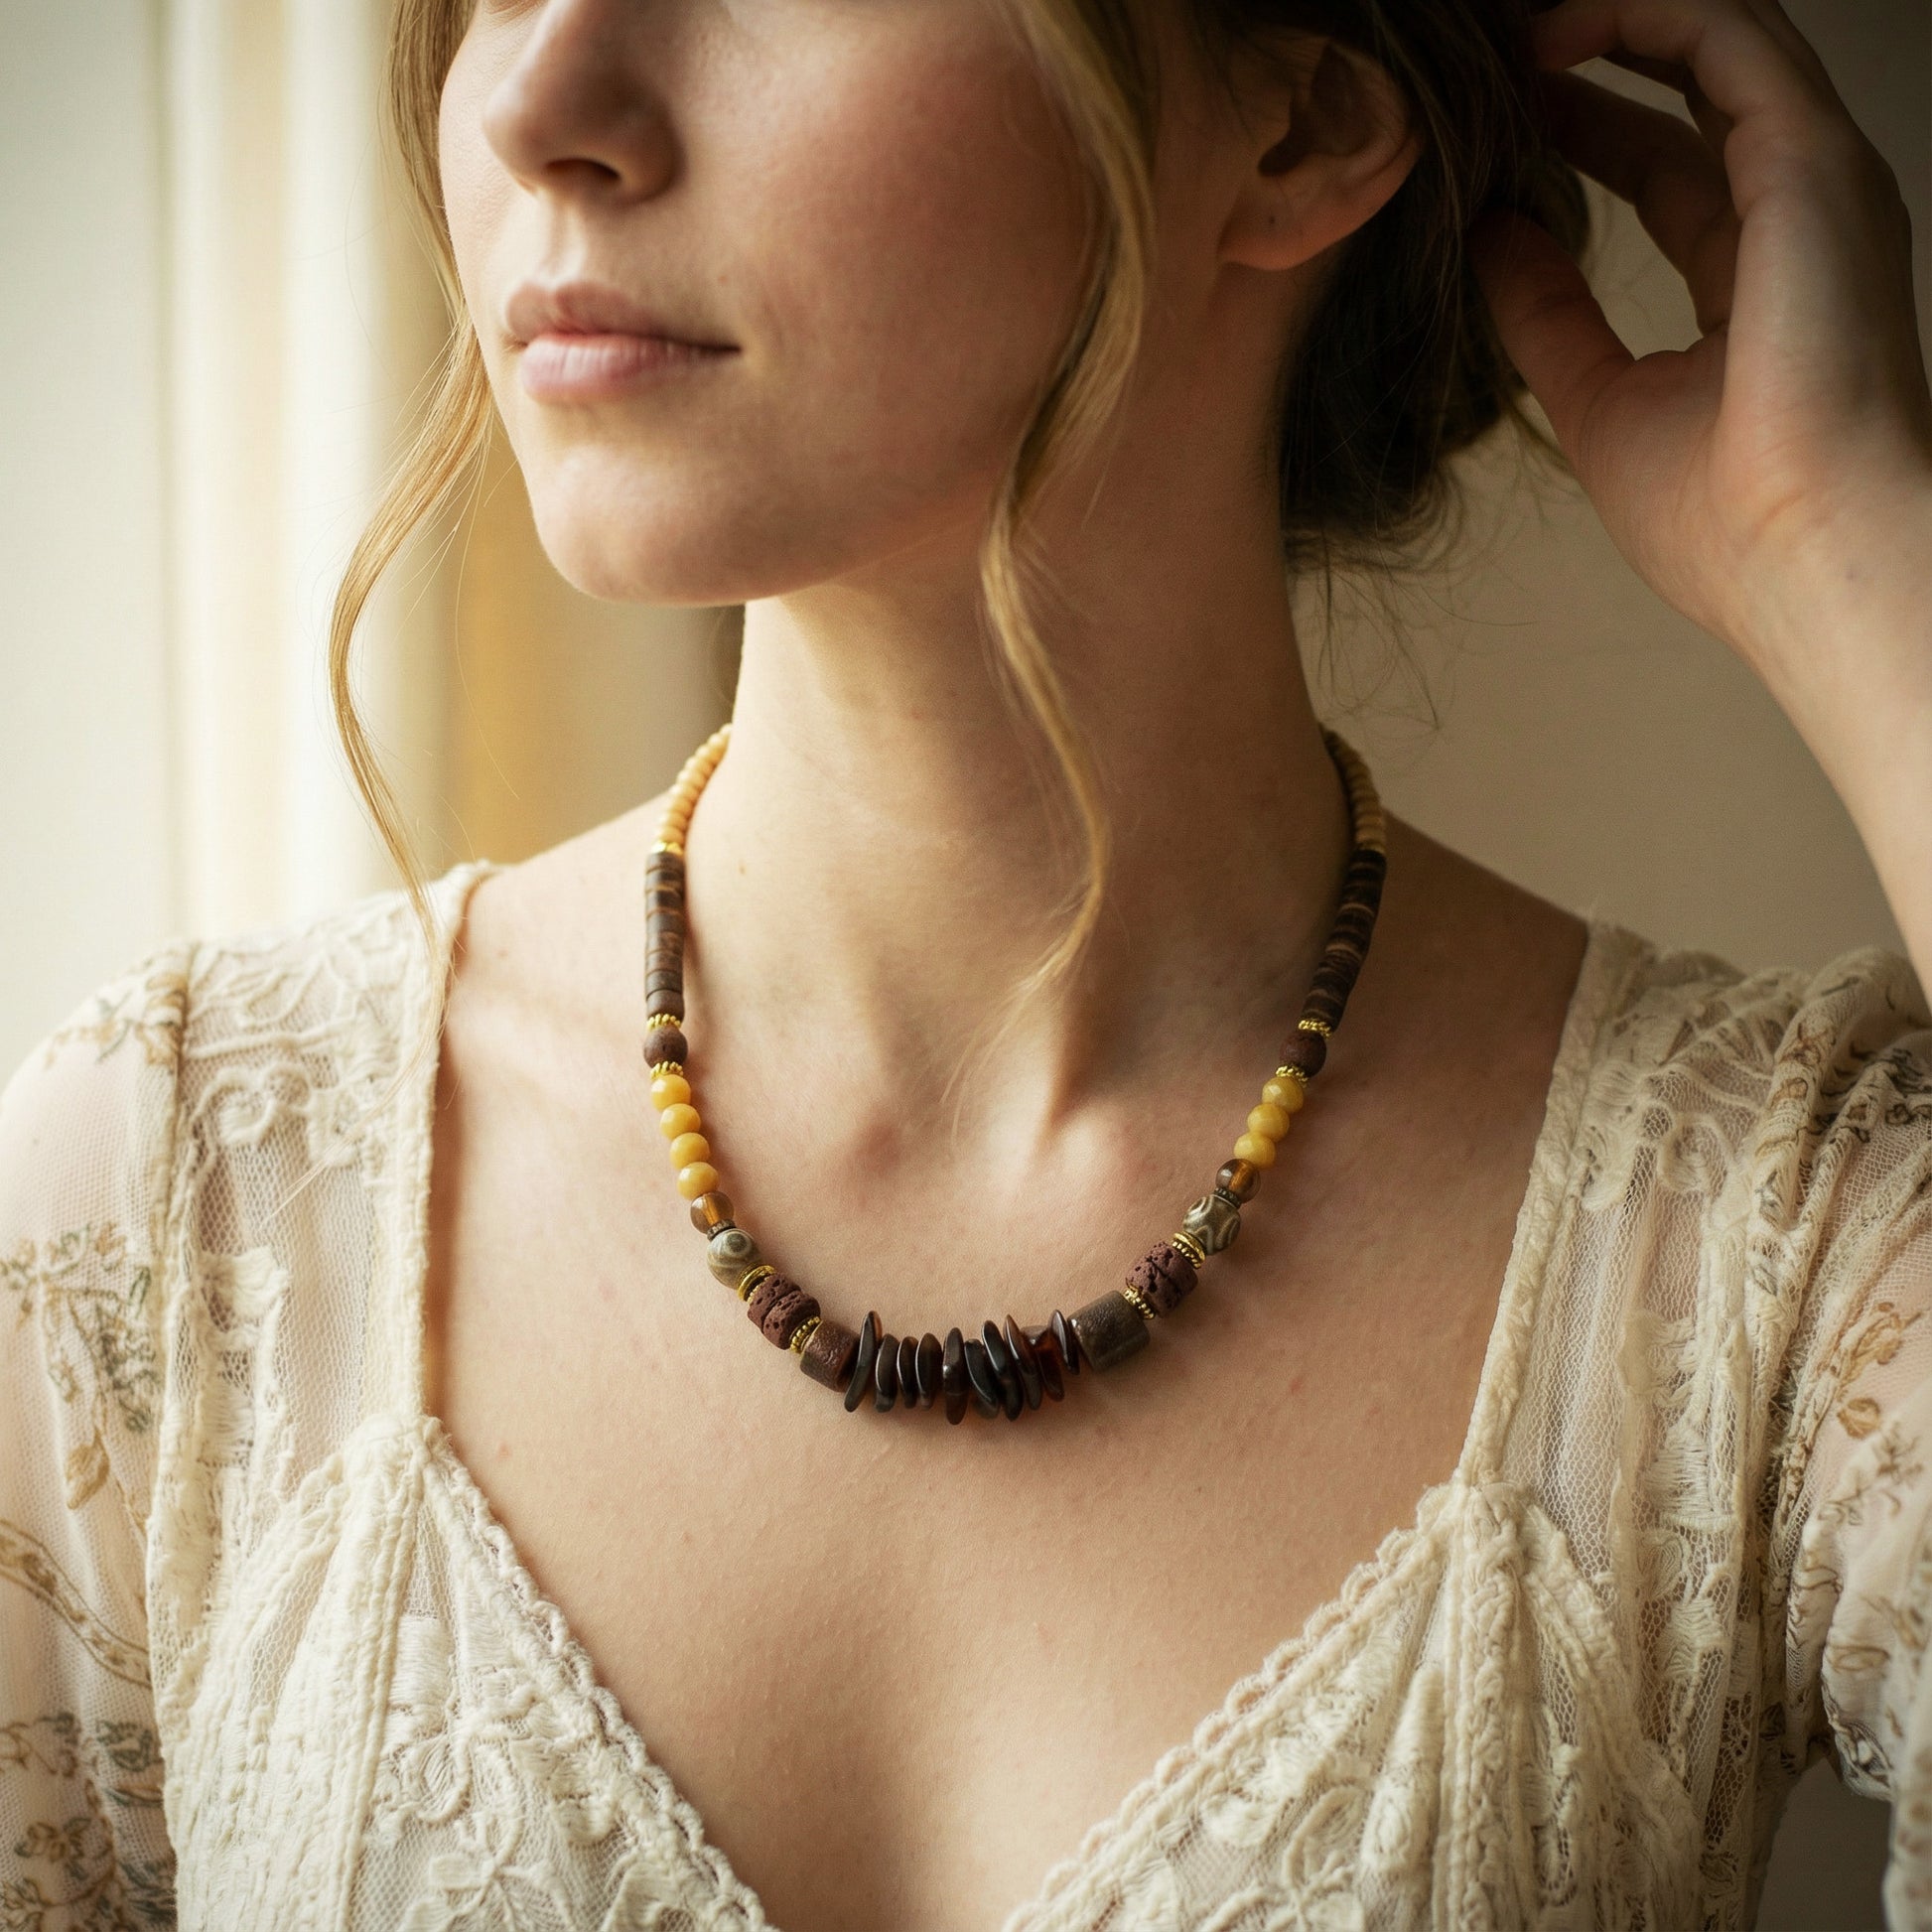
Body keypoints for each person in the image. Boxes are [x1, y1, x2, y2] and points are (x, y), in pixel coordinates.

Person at [3, 0, 1928, 1924]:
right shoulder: (168, 1216)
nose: (533, 99)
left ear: (1300, 117)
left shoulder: (1770, 1262)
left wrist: (1846, 564)